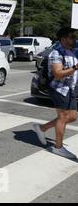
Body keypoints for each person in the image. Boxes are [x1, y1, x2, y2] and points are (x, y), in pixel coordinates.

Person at [33, 27, 78, 159]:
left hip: (71, 88)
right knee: (63, 117)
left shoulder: (73, 51)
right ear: (63, 39)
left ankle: (42, 128)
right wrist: (75, 67)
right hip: (59, 89)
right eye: (72, 37)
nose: (75, 39)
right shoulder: (56, 53)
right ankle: (58, 148)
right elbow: (57, 74)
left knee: (72, 117)